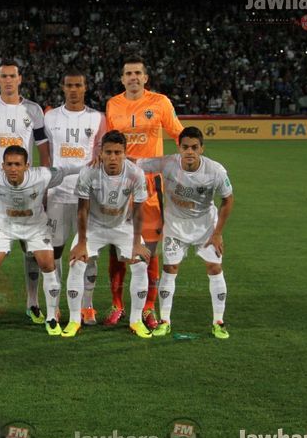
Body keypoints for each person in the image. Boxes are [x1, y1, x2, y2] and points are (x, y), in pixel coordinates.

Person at [0, 146, 79, 336]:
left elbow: (67, 169)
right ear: (3, 165)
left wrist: (93, 165)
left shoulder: (42, 175)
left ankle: (51, 318)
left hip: (35, 226)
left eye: (17, 164)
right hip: (4, 225)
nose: (13, 169)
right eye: (9, 164)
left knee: (48, 265)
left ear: (27, 166)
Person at [104, 56, 184, 328]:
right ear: (122, 78)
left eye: (138, 73)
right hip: (119, 184)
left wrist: (187, 163)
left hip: (151, 186)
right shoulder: (113, 104)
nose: (133, 77)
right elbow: (109, 143)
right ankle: (117, 304)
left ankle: (149, 308)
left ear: (145, 77)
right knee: (117, 247)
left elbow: (178, 133)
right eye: (128, 73)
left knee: (149, 247)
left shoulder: (160, 102)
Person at [135, 127, 234, 339]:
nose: (190, 152)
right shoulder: (168, 163)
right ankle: (165, 321)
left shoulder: (215, 171)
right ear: (179, 147)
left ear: (201, 148)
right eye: (185, 147)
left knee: (214, 268)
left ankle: (218, 322)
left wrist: (217, 233)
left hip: (205, 227)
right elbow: (139, 162)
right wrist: (112, 157)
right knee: (170, 268)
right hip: (175, 226)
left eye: (194, 147)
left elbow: (228, 200)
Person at [0, 59, 50, 324]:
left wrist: (45, 186)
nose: (8, 80)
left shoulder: (33, 110)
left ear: (19, 79)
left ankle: (33, 303)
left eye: (12, 76)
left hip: (27, 190)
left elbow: (43, 150)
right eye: (3, 76)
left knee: (31, 249)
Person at [64, 131, 151, 338]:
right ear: (100, 153)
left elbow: (139, 211)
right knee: (76, 263)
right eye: (108, 152)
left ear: (125, 153)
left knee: (140, 263)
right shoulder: (89, 172)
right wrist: (81, 243)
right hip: (94, 226)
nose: (113, 157)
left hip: (123, 226)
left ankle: (136, 321)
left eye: (118, 153)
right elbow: (82, 210)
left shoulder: (136, 174)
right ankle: (74, 320)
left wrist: (137, 243)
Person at [44, 68, 106, 325]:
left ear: (85, 87)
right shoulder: (50, 117)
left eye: (78, 85)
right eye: (69, 85)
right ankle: (56, 305)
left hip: (87, 195)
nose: (73, 90)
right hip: (57, 193)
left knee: (88, 252)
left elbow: (102, 156)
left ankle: (87, 306)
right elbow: (45, 156)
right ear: (63, 87)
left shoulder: (97, 118)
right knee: (54, 251)